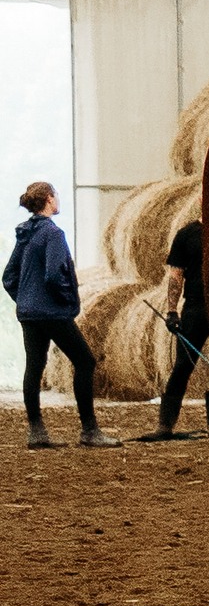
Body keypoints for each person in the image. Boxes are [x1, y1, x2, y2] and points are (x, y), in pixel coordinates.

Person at [13, 181, 111, 448]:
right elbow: (54, 274)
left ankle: (37, 432)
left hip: (29, 313)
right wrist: (67, 302)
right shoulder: (52, 233)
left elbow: (9, 276)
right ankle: (89, 431)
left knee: (34, 368)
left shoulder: (25, 233)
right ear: (48, 199)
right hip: (52, 312)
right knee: (85, 362)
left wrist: (24, 299)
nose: (58, 200)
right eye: (56, 195)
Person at [146, 213, 209, 439]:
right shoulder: (186, 234)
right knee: (182, 365)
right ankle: (165, 425)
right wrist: (172, 311)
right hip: (195, 308)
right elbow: (176, 275)